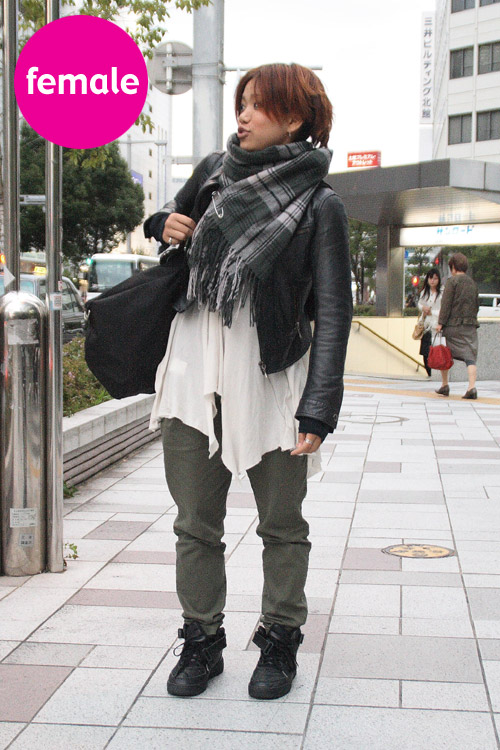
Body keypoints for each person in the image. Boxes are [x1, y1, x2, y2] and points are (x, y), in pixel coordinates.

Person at [143, 63, 352, 700]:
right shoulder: (213, 173)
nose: (243, 115)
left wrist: (319, 407)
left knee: (282, 525)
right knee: (194, 524)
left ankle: (280, 640)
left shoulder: (320, 203)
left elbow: (333, 311)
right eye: (243, 102)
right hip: (192, 373)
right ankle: (201, 641)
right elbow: (167, 227)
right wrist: (162, 225)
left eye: (258, 105)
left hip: (271, 381)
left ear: (294, 118)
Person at [435, 252, 479, 399]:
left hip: (453, 325)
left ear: (453, 267)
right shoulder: (472, 283)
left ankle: (445, 385)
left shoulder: (452, 282)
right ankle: (471, 387)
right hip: (470, 325)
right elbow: (476, 304)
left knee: (446, 354)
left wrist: (441, 322)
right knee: (470, 357)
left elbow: (446, 304)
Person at [417, 268, 442, 376]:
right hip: (426, 325)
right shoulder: (424, 292)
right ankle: (429, 373)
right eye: (430, 278)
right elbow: (419, 304)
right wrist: (423, 308)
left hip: (436, 326)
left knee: (436, 351)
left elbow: (443, 309)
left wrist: (433, 312)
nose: (432, 281)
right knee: (425, 352)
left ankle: (435, 374)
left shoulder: (442, 293)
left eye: (435, 278)